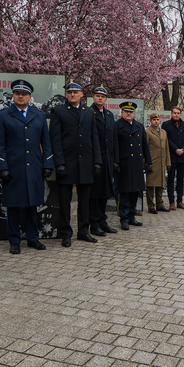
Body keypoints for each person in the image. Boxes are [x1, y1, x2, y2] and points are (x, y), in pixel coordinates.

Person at [0, 79, 54, 254]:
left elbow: (46, 142)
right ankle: (14, 240)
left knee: (32, 205)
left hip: (34, 167)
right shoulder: (4, 115)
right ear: (13, 96)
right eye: (18, 93)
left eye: (24, 94)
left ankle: (33, 238)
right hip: (13, 168)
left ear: (30, 97)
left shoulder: (39, 115)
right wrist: (1, 167)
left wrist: (47, 163)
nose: (21, 96)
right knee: (13, 205)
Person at [49, 81, 102, 245]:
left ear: (81, 95)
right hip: (66, 163)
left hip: (86, 163)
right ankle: (65, 233)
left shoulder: (88, 112)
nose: (72, 94)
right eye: (69, 92)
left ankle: (83, 231)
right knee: (65, 202)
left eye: (75, 92)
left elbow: (94, 139)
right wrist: (59, 163)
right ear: (66, 95)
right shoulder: (58, 111)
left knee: (84, 201)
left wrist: (97, 161)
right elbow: (55, 140)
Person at [88, 86, 119, 235]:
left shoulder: (109, 114)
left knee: (105, 191)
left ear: (106, 99)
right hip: (95, 159)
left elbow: (113, 138)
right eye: (97, 95)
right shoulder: (88, 112)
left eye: (103, 96)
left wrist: (115, 160)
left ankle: (102, 220)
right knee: (95, 193)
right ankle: (93, 224)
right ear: (93, 97)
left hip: (108, 159)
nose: (100, 98)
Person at [115, 102, 151, 229]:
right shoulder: (117, 126)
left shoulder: (139, 126)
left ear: (134, 113)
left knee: (135, 191)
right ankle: (123, 218)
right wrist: (116, 162)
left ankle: (131, 216)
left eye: (131, 112)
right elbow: (115, 146)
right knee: (124, 192)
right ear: (122, 112)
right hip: (123, 163)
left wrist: (148, 161)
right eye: (126, 111)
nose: (128, 113)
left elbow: (145, 145)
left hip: (136, 163)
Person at [164, 107, 184, 210]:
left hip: (182, 156)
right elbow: (166, 139)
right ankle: (171, 201)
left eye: (178, 113)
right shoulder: (166, 125)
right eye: (174, 113)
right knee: (171, 179)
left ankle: (180, 200)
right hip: (172, 156)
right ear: (171, 114)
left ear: (180, 114)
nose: (176, 115)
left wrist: (183, 149)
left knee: (180, 179)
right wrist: (176, 149)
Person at [145, 113, 170, 214]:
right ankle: (151, 206)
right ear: (150, 121)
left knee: (160, 184)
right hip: (152, 162)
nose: (156, 121)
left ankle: (160, 204)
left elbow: (166, 148)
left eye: (158, 119)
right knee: (150, 185)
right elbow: (145, 148)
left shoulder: (163, 132)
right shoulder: (147, 132)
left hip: (161, 163)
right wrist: (146, 163)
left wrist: (168, 163)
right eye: (154, 119)